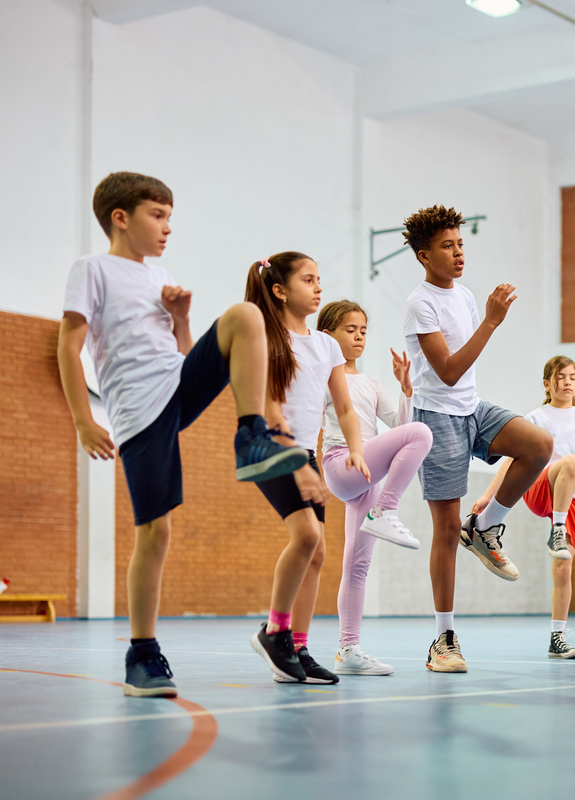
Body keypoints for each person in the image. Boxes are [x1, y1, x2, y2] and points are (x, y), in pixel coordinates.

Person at [57, 172, 307, 697]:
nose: (168, 227)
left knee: (245, 315)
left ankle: (251, 434)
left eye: (170, 216)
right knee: (156, 532)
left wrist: (181, 320)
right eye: (158, 215)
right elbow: (68, 344)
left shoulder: (159, 277)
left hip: (174, 385)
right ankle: (142, 655)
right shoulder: (92, 269)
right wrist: (83, 418)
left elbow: (181, 354)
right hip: (138, 412)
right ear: (120, 218)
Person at [401, 205, 552, 673]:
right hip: (437, 416)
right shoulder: (419, 303)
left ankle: (484, 527)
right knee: (444, 531)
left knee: (539, 445)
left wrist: (483, 316)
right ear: (425, 256)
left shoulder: (464, 296)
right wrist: (491, 322)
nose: (458, 252)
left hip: (473, 409)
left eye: (461, 244)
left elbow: (463, 379)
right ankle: (444, 641)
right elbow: (446, 373)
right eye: (447, 246)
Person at [244, 252, 372, 684]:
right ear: (279, 290)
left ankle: (296, 646)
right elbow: (269, 404)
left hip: (305, 453)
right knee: (307, 534)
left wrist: (356, 449)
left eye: (320, 279)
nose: (319, 287)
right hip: (269, 447)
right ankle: (274, 632)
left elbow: (345, 408)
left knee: (317, 553)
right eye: (308, 280)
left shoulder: (327, 345)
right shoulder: (266, 335)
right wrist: (292, 458)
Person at [317, 300, 433, 676]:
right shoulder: (323, 375)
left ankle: (347, 650)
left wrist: (406, 388)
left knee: (357, 565)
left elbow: (400, 424)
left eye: (363, 330)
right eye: (350, 330)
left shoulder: (370, 383)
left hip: (368, 473)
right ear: (327, 334)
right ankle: (387, 510)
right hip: (342, 462)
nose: (358, 337)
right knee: (422, 433)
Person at [473, 356, 575, 658]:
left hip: (571, 497)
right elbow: (512, 459)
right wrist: (488, 495)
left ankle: (557, 637)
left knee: (564, 569)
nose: (568, 382)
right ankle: (558, 529)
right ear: (547, 384)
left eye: (573, 377)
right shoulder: (536, 417)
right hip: (540, 489)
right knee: (572, 462)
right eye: (561, 377)